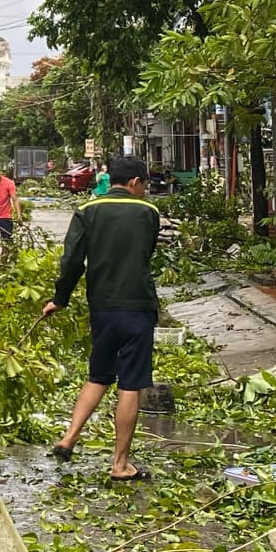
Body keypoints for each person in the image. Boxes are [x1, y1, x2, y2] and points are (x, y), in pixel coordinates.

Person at [41, 154, 163, 483]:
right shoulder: (149, 212)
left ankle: (69, 438)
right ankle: (120, 464)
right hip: (137, 306)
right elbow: (146, 253)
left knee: (98, 375)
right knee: (131, 383)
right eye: (144, 185)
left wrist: (59, 299)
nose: (145, 190)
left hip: (102, 308)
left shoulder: (87, 210)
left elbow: (71, 261)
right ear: (135, 182)